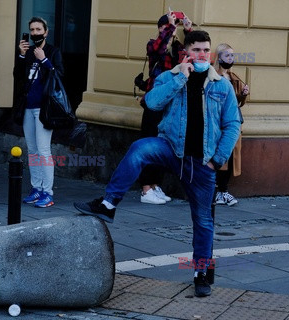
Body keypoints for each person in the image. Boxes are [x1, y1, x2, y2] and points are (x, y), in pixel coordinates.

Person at [74, 30, 241, 297]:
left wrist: (217, 160)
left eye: (206, 50)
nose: (202, 55)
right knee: (140, 148)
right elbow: (151, 103)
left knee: (203, 220)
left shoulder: (221, 85)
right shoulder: (171, 78)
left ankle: (200, 274)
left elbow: (233, 125)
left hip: (202, 162)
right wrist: (181, 79)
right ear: (186, 52)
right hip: (170, 149)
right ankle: (108, 204)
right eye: (197, 50)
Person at [138, 11, 192, 205]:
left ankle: (155, 186)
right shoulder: (153, 44)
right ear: (160, 28)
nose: (169, 30)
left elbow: (191, 56)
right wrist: (168, 28)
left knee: (163, 145)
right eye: (165, 27)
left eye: (170, 27)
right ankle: (145, 189)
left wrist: (188, 30)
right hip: (154, 102)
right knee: (149, 142)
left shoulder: (177, 47)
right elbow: (159, 48)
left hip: (171, 102)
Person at [13, 17, 63, 208]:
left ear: (46, 31)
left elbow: (59, 76)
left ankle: (47, 192)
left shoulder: (53, 52)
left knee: (43, 151)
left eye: (38, 29)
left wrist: (44, 60)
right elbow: (18, 78)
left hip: (44, 108)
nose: (35, 33)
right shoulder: (28, 53)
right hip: (27, 107)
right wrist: (21, 55)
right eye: (32, 30)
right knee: (32, 150)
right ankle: (36, 188)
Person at [213, 43, 249, 206]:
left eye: (232, 55)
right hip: (219, 123)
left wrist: (242, 94)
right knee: (220, 157)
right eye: (227, 55)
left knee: (230, 157)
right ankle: (217, 192)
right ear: (219, 58)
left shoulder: (233, 77)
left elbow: (237, 102)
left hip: (233, 123)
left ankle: (223, 191)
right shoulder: (213, 76)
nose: (231, 58)